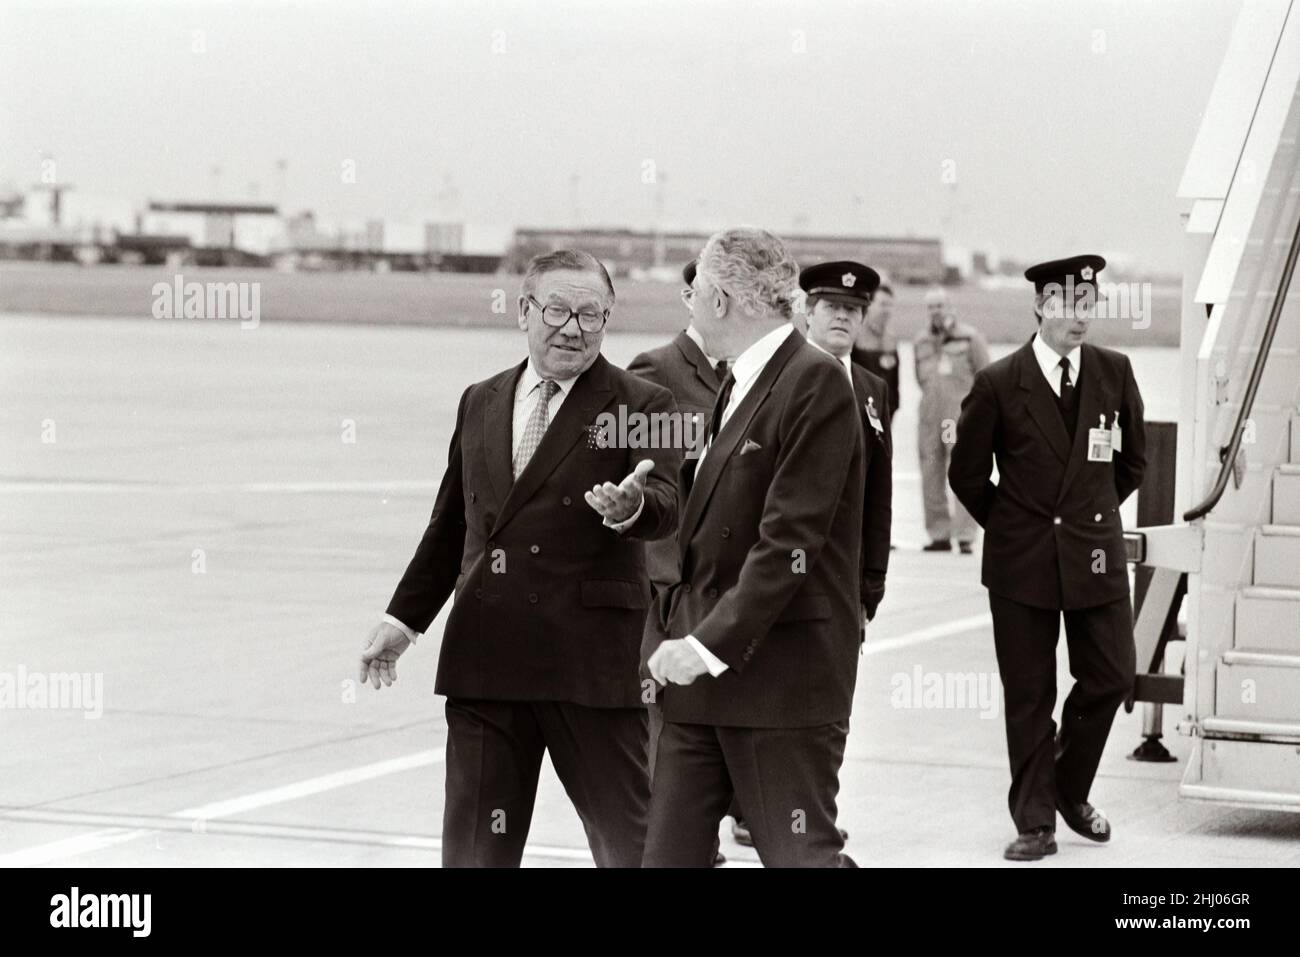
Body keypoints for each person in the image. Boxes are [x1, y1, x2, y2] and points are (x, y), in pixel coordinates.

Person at [359, 249, 682, 868]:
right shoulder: (480, 400)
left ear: (608, 319)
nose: (573, 328)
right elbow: (451, 525)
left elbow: (668, 502)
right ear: (523, 311)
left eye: (591, 314)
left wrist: (632, 510)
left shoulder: (646, 404)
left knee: (631, 846)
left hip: (589, 665)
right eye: (558, 310)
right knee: (477, 851)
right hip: (488, 662)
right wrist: (403, 622)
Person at [641, 227, 864, 868]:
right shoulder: (741, 380)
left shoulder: (813, 382)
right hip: (698, 678)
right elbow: (711, 523)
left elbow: (787, 543)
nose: (688, 307)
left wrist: (705, 647)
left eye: (695, 294)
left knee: (801, 859)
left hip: (776, 683)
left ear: (718, 299)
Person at [948, 254, 1146, 862]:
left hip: (1093, 554)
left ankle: (1066, 786)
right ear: (1040, 307)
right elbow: (967, 475)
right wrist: (1019, 528)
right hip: (1022, 562)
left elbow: (1132, 463)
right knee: (1029, 694)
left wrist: (1085, 519)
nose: (1079, 317)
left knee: (1111, 676)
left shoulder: (1114, 372)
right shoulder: (1000, 383)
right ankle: (1035, 821)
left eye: (1089, 305)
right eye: (1066, 305)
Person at [725, 259, 894, 852]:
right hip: (775, 576)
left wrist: (870, 587)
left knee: (829, 709)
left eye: (854, 310)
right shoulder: (783, 379)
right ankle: (757, 811)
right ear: (807, 310)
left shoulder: (872, 391)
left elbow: (878, 496)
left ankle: (810, 812)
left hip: (839, 590)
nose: (844, 317)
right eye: (832, 308)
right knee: (765, 698)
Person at [626, 259, 730, 866]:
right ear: (690, 296)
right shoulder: (659, 371)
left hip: (727, 586)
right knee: (666, 736)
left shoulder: (750, 372)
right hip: (671, 587)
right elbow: (648, 485)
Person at [915, 286, 989, 553]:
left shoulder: (970, 339)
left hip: (957, 417)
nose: (935, 311)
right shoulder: (921, 341)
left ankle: (966, 535)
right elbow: (920, 377)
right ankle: (939, 534)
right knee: (930, 472)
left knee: (961, 471)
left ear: (950, 308)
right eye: (931, 307)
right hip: (930, 416)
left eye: (940, 306)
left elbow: (985, 377)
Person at [850, 281, 901, 422]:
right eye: (883, 304)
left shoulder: (891, 338)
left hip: (885, 413)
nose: (887, 310)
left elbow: (894, 380)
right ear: (869, 305)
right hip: (858, 414)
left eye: (890, 305)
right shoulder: (855, 335)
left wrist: (893, 407)